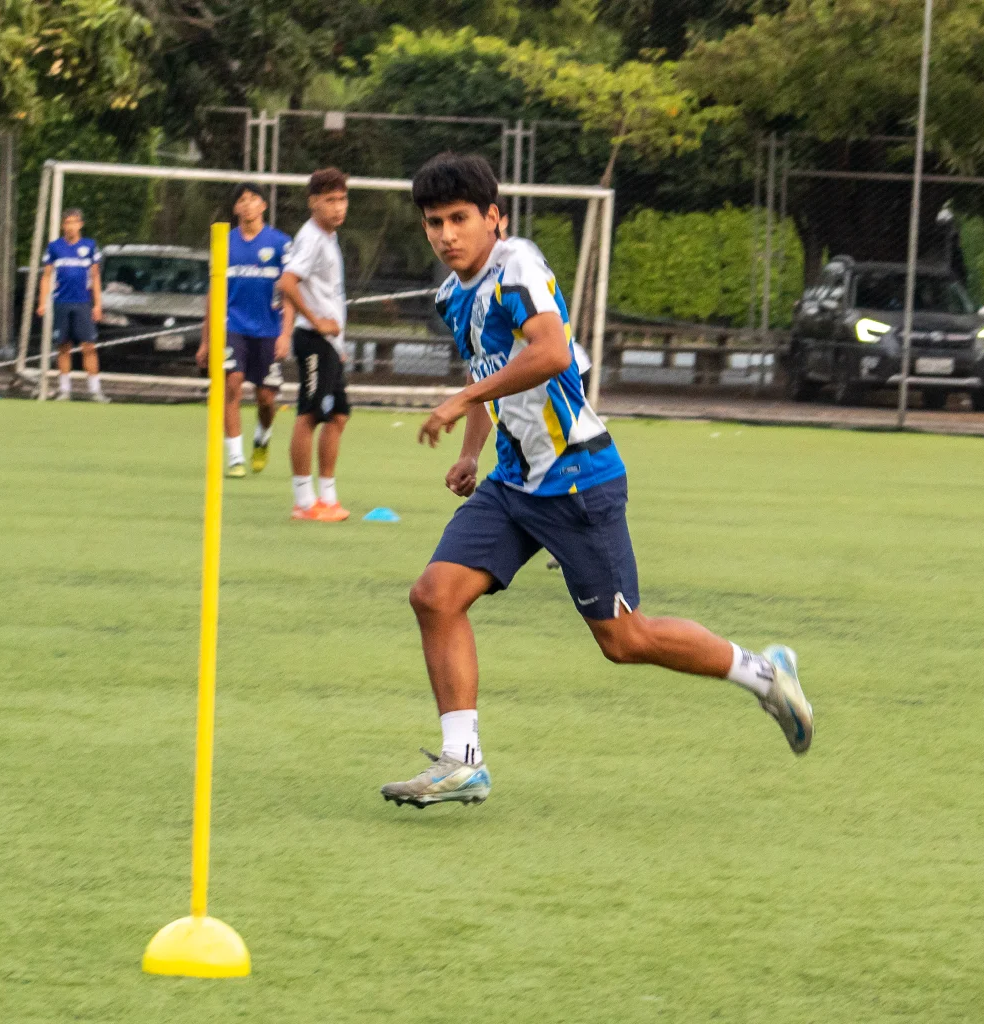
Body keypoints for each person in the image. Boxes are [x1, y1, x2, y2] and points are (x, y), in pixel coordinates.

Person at [380, 153, 814, 809]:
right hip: (515, 482)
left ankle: (763, 672)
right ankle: (461, 761)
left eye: (459, 218)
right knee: (435, 596)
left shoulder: (517, 266)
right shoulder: (451, 293)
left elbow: (550, 352)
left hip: (578, 479)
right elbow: (495, 372)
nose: (445, 234)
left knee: (625, 640)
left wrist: (464, 400)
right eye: (433, 222)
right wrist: (474, 449)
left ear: (494, 218)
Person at [196, 183, 295, 477]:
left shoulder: (280, 244)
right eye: (242, 200)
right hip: (233, 326)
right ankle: (236, 457)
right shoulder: (224, 243)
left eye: (254, 199)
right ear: (236, 208)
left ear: (263, 205)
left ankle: (262, 439)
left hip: (268, 329)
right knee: (232, 384)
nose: (248, 204)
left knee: (266, 399)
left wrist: (286, 333)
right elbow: (214, 293)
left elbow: (290, 292)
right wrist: (205, 341)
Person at [276, 168, 351, 521]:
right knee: (309, 414)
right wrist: (317, 321)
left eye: (343, 199)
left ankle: (329, 497)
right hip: (313, 339)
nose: (339, 207)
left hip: (330, 344)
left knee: (337, 415)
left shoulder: (329, 237)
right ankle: (304, 502)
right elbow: (288, 282)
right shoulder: (310, 238)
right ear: (313, 203)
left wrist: (339, 341)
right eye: (330, 200)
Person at [36, 208, 108, 402]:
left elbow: (95, 276)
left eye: (74, 222)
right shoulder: (54, 247)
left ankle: (95, 390)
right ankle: (64, 389)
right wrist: (42, 302)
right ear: (62, 225)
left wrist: (98, 305)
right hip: (61, 302)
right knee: (63, 346)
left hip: (83, 303)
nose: (71, 226)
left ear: (81, 224)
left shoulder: (90, 246)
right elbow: (47, 276)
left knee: (89, 346)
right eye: (67, 222)